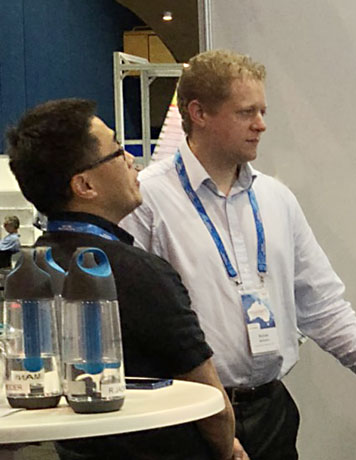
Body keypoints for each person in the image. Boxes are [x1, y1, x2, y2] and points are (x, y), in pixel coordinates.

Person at [120, 49, 356, 460]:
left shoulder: (276, 198)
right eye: (246, 112)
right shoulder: (148, 201)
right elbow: (140, 324)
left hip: (272, 412)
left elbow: (321, 303)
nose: (261, 124)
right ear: (199, 113)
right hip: (187, 418)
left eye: (262, 111)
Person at [6, 99, 247, 460]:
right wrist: (229, 448)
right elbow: (213, 404)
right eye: (118, 152)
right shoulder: (137, 273)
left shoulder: (35, 269)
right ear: (85, 185)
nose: (132, 160)